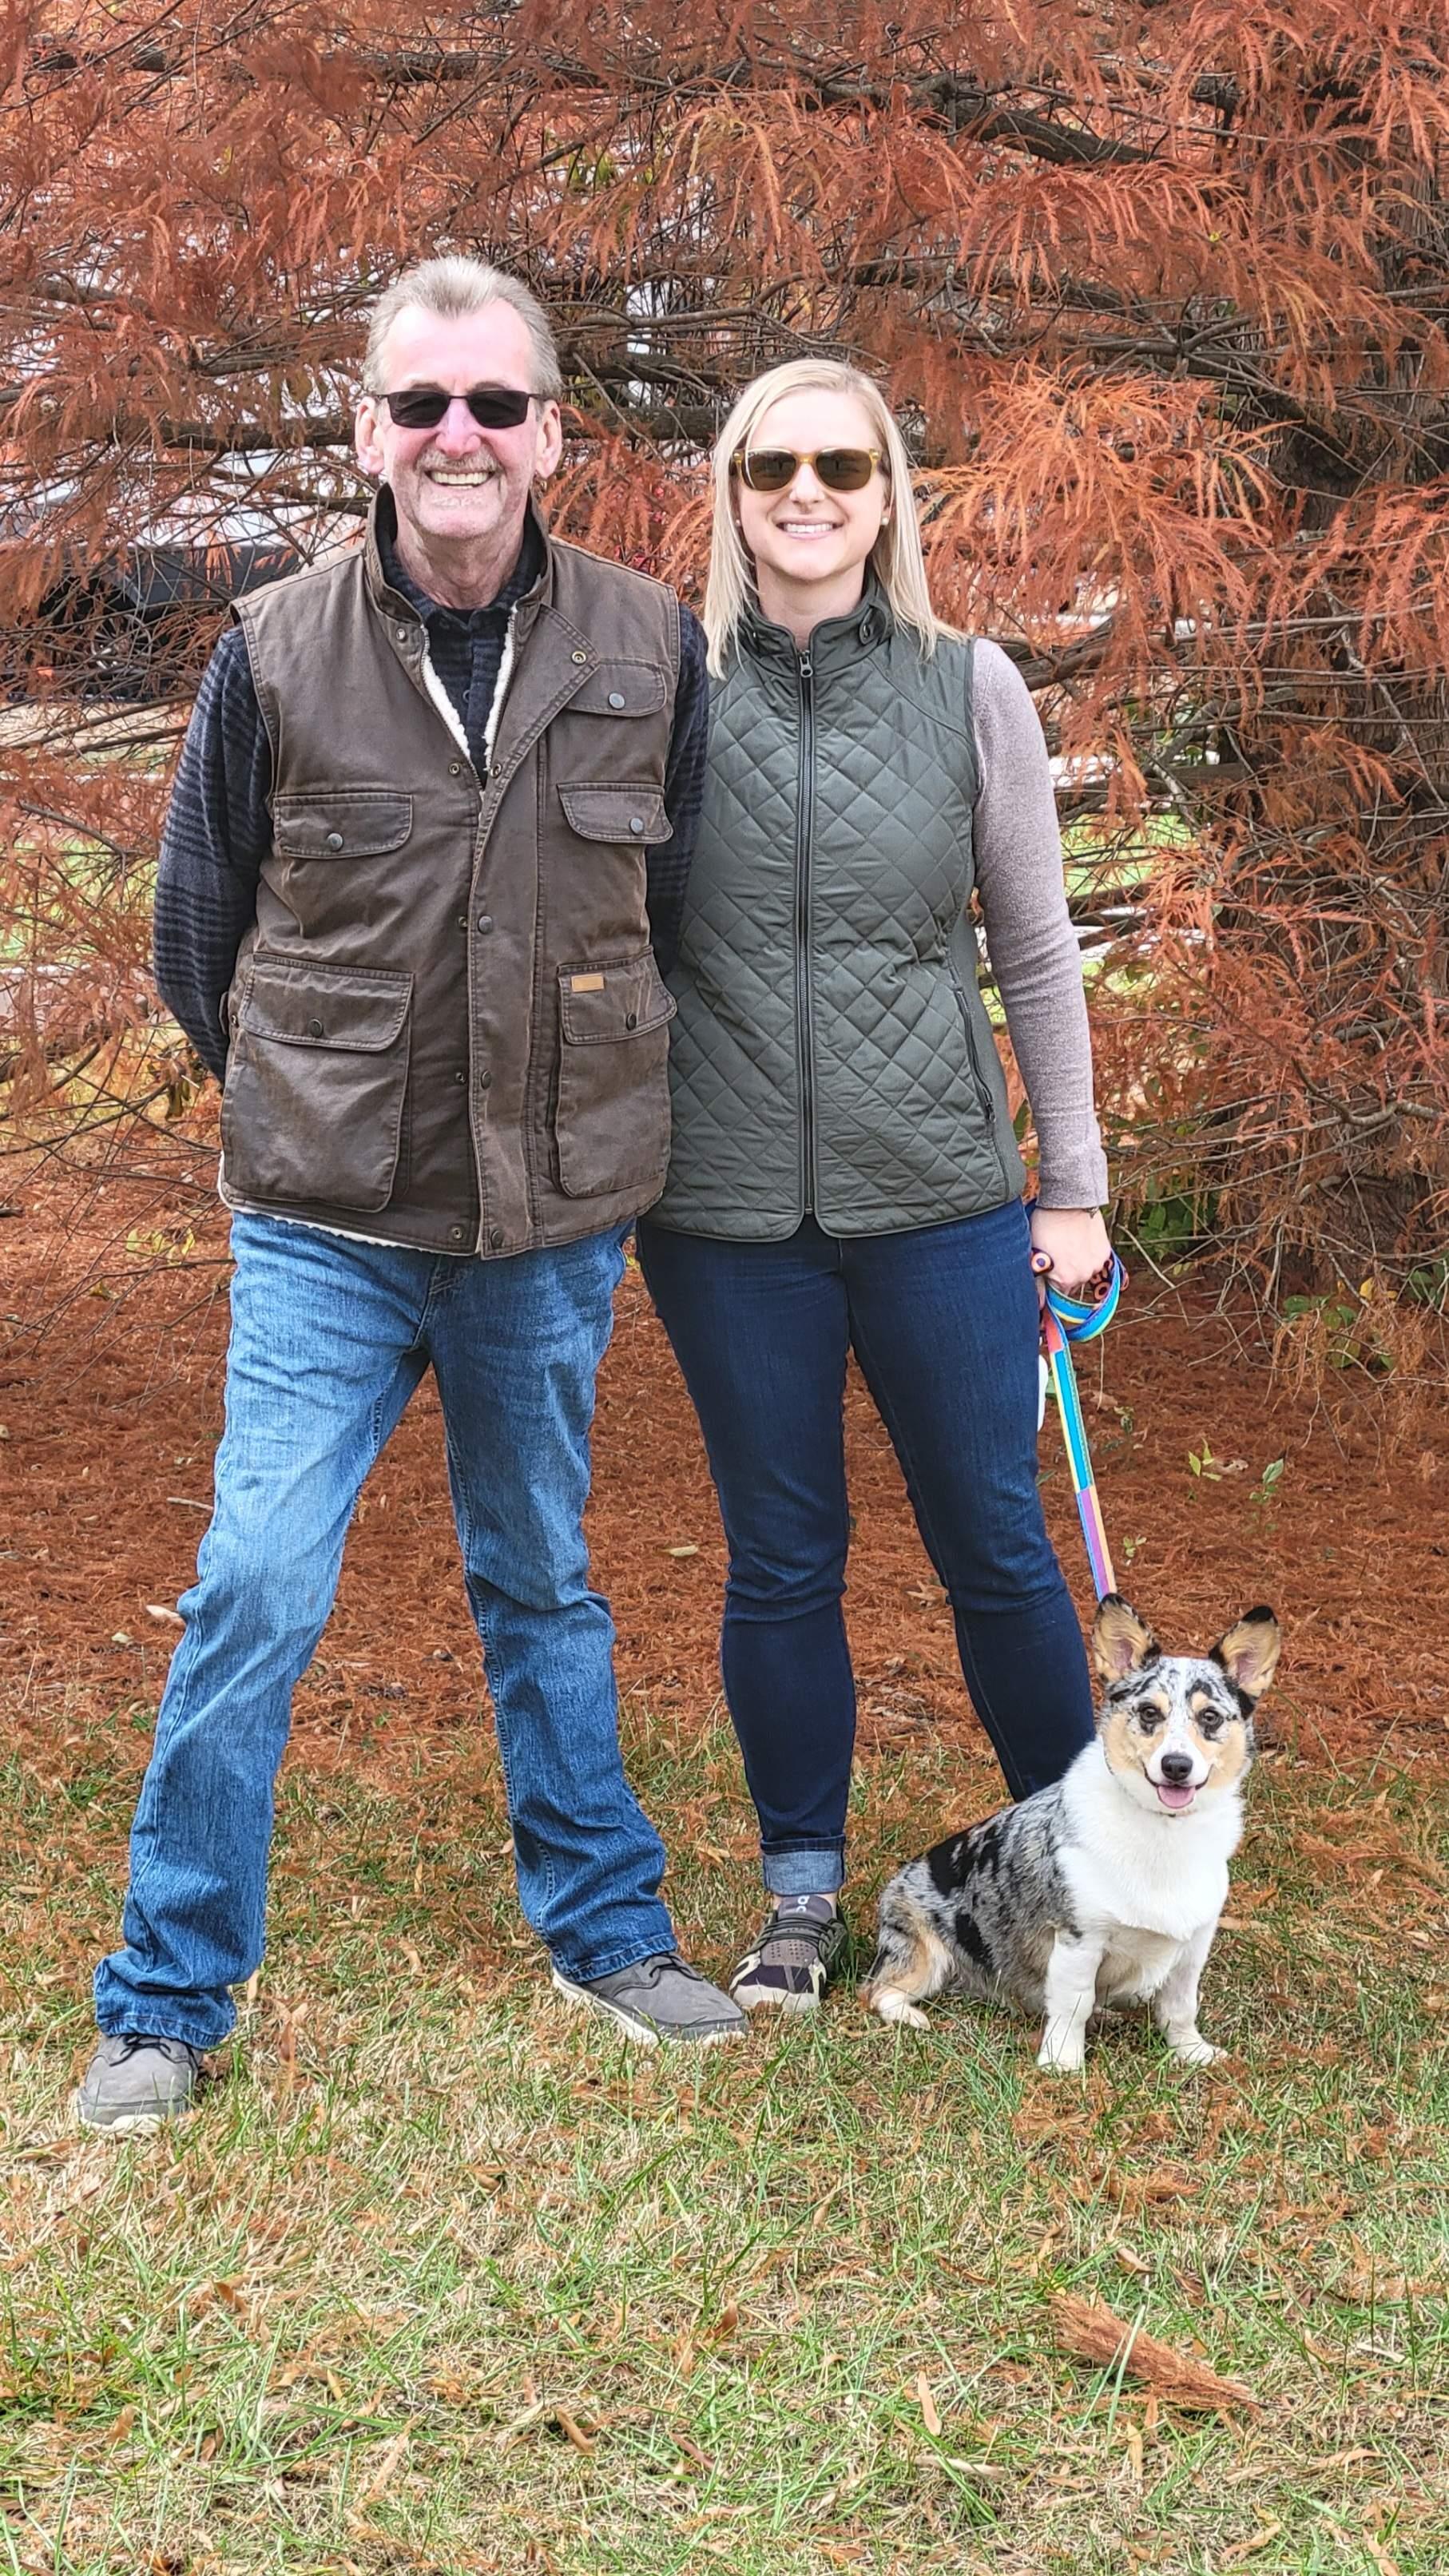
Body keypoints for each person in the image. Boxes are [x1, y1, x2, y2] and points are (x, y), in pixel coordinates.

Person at [80, 255, 748, 2129]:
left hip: (545, 1234)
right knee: (255, 1585)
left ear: (552, 434)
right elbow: (197, 929)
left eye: (498, 405)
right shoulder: (273, 646)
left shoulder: (640, 643)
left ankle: (609, 1929)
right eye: (425, 402)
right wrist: (313, 1111)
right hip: (327, 1234)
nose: (461, 436)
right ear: (367, 428)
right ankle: (165, 1994)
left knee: (540, 1576)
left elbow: (676, 922)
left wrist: (583, 1121)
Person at [635, 359, 1114, 2013]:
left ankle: (1088, 1885)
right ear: (732, 489)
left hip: (944, 1202)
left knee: (992, 1538)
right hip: (722, 1214)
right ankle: (798, 1897)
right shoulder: (664, 687)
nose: (807, 490)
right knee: (781, 1553)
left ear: (890, 488)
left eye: (842, 461)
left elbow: (1037, 950)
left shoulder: (968, 683)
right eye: (773, 463)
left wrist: (1077, 1187)